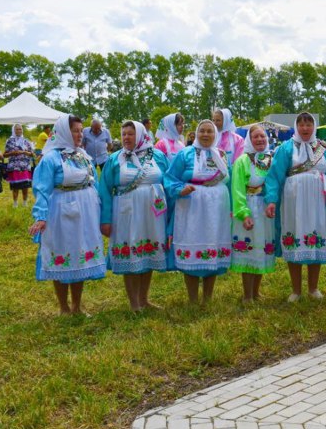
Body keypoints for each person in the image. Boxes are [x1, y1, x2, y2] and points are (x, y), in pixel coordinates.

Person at [29, 114, 105, 315]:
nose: (80, 135)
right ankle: (63, 307)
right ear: (63, 132)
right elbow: (42, 190)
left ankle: (77, 307)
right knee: (61, 253)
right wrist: (41, 216)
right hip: (61, 212)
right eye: (75, 131)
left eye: (81, 131)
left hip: (86, 212)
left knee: (79, 253)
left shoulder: (83, 156)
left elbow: (94, 183)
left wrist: (101, 209)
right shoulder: (51, 158)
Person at [98, 121, 170, 312]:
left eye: (131, 134)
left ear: (140, 135)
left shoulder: (159, 156)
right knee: (131, 253)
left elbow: (168, 182)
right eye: (123, 134)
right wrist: (105, 219)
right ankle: (134, 303)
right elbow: (104, 190)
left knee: (148, 254)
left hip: (153, 215)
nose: (126, 138)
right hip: (126, 215)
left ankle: (144, 299)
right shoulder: (115, 159)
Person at [264, 112, 326, 301]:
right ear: (296, 126)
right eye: (302, 124)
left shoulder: (324, 149)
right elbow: (274, 176)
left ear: (314, 127)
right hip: (294, 202)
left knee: (316, 236)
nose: (305, 128)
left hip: (319, 202)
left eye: (309, 124)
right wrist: (271, 200)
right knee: (295, 236)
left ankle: (313, 288)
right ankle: (296, 290)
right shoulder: (286, 149)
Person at [165, 119, 232, 303]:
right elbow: (170, 178)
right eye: (202, 130)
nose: (205, 134)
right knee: (192, 242)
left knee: (213, 244)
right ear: (196, 132)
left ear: (215, 134)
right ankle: (193, 298)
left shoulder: (221, 155)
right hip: (191, 206)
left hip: (217, 207)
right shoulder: (185, 154)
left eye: (209, 131)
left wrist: (232, 209)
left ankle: (208, 297)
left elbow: (230, 180)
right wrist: (180, 189)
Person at [230, 124, 277, 302]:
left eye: (263, 137)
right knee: (249, 249)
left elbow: (273, 183)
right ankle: (247, 295)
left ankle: (256, 292)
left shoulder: (269, 159)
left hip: (264, 208)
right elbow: (237, 189)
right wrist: (243, 213)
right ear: (250, 140)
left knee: (261, 249)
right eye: (256, 137)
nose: (260, 140)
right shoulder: (242, 161)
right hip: (248, 206)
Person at [3, 124, 36, 207]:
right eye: (17, 129)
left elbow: (32, 154)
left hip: (25, 167)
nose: (19, 131)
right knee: (15, 187)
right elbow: (4, 154)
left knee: (25, 186)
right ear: (13, 130)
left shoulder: (26, 141)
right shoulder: (10, 141)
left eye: (20, 129)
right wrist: (13, 153)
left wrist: (25, 152)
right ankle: (15, 204)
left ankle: (25, 203)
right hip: (14, 167)